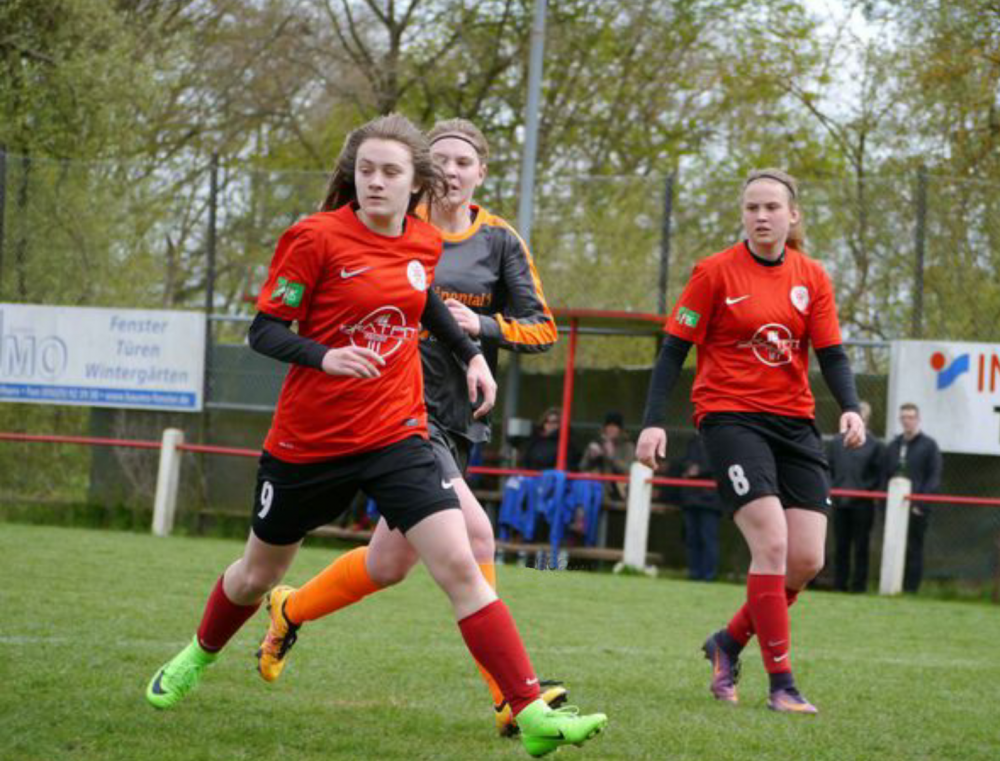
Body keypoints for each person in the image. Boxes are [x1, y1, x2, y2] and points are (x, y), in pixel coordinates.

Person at [144, 114, 606, 757]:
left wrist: (472, 354)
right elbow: (264, 330)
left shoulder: (422, 241)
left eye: (391, 171)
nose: (376, 182)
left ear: (414, 182)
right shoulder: (313, 237)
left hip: (397, 434)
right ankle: (199, 652)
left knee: (462, 562)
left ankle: (528, 712)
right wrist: (323, 356)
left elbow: (424, 302)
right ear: (352, 175)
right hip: (308, 443)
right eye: (366, 170)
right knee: (256, 573)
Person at [251, 117, 572, 739]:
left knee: (388, 564)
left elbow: (542, 328)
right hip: (399, 415)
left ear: (481, 173)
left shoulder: (499, 240)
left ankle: (290, 608)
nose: (451, 171)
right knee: (476, 536)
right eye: (441, 159)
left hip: (458, 418)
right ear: (425, 171)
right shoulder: (396, 223)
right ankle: (512, 699)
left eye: (463, 162)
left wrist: (481, 331)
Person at [636, 168, 865, 715]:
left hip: (795, 423)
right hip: (730, 419)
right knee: (773, 544)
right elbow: (673, 349)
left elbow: (832, 353)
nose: (761, 216)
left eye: (771, 207)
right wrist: (653, 421)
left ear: (793, 215)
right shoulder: (713, 272)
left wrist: (851, 407)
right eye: (751, 207)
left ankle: (728, 642)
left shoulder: (813, 276)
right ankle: (782, 684)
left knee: (806, 560)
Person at [885, 402, 942, 593]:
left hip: (917, 509)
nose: (907, 421)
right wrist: (884, 504)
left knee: (913, 548)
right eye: (903, 417)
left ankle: (910, 589)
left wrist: (920, 504)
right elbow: (884, 474)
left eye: (910, 417)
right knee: (893, 547)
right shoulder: (894, 446)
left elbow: (933, 477)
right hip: (894, 507)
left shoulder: (929, 446)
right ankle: (891, 586)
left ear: (918, 419)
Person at [828, 400, 884, 592]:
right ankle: (839, 585)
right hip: (839, 503)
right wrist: (834, 489)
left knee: (861, 546)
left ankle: (859, 586)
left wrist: (866, 491)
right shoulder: (836, 442)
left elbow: (878, 474)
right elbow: (829, 468)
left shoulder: (875, 445)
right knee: (840, 546)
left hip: (863, 505)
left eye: (863, 416)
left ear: (867, 419)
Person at [676, 433, 723, 582]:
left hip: (710, 499)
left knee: (708, 538)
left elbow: (720, 464)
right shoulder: (693, 441)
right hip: (691, 498)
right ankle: (694, 573)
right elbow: (683, 462)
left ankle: (708, 575)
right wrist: (688, 468)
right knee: (692, 538)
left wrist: (699, 470)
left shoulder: (719, 438)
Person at [579, 411, 635, 501]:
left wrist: (612, 457)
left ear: (620, 429)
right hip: (596, 490)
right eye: (609, 426)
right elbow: (582, 467)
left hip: (619, 492)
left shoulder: (628, 446)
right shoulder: (596, 443)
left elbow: (629, 471)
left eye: (615, 426)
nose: (611, 429)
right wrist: (591, 458)